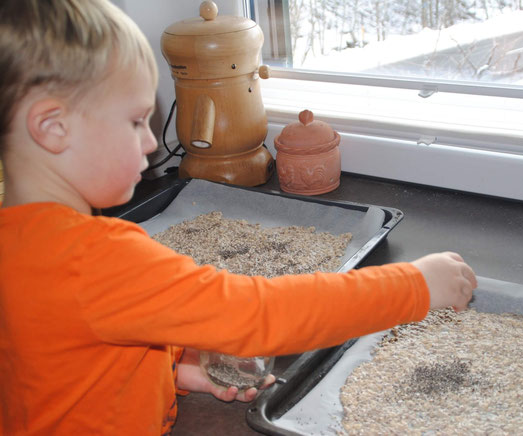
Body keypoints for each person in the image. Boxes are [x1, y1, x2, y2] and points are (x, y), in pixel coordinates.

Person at [0, 0, 477, 434]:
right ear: (53, 127)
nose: (150, 144)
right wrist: (414, 286)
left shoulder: (23, 247)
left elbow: (60, 366)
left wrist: (172, 372)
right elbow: (256, 314)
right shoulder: (92, 259)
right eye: (134, 122)